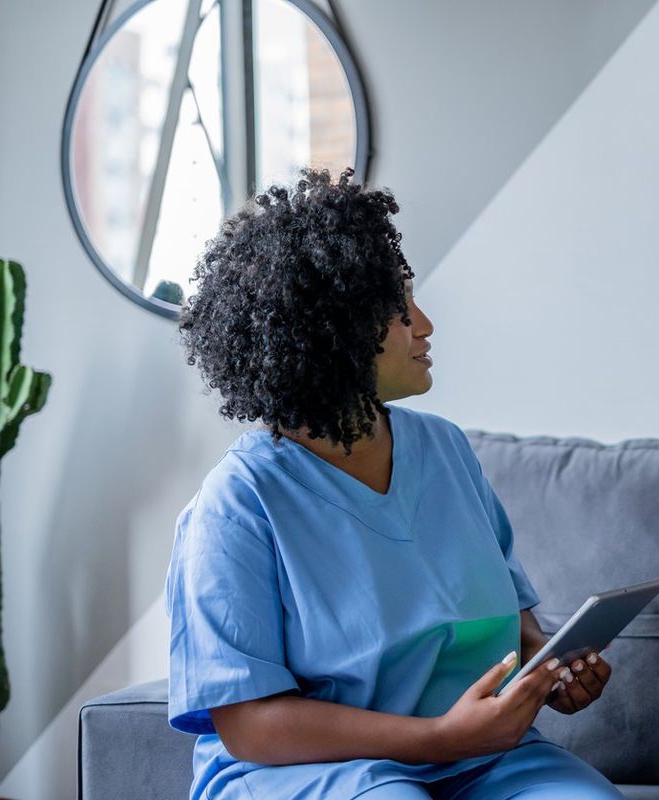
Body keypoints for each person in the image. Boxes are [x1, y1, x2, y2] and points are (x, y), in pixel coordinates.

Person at [166, 169, 622, 799]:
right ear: (332, 331)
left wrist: (551, 672)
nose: (426, 324)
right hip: (307, 770)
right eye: (399, 307)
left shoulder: (447, 451)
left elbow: (516, 626)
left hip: (482, 760)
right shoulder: (237, 507)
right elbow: (250, 727)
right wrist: (441, 737)